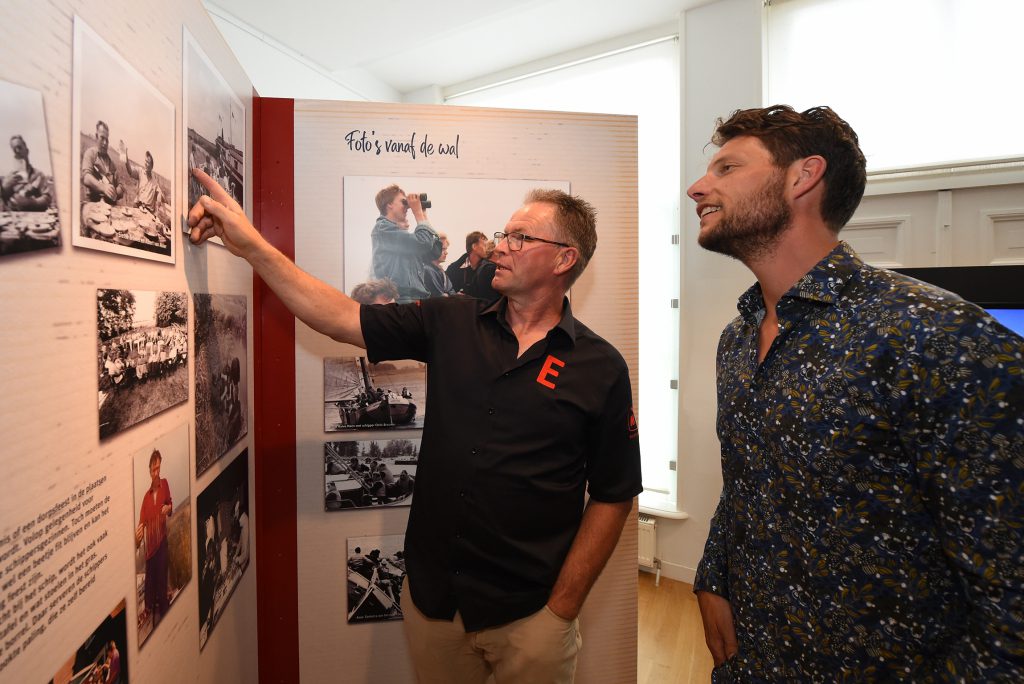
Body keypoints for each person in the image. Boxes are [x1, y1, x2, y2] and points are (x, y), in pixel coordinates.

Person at [187, 169, 642, 683]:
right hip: (435, 609)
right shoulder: (451, 321)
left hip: (532, 616)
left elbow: (613, 495)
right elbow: (338, 315)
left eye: (520, 236)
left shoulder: (600, 367)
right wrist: (252, 246)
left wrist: (563, 607)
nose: (499, 246)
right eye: (503, 232)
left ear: (564, 258)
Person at [686, 105, 1024, 681]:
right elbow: (746, 478)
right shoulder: (738, 337)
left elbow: (1011, 590)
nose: (698, 187)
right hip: (754, 658)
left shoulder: (938, 335)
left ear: (803, 176)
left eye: (726, 168)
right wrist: (713, 575)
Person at [370, 184, 442, 303]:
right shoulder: (383, 229)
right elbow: (423, 243)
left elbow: (434, 252)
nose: (407, 207)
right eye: (404, 202)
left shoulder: (401, 235)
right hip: (400, 299)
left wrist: (423, 215)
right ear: (390, 204)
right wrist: (418, 213)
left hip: (416, 298)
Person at [136, 449, 172, 626]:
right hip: (150, 552)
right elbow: (140, 526)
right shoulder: (145, 498)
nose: (156, 472)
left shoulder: (165, 484)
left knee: (161, 589)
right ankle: (150, 613)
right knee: (150, 594)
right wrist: (137, 536)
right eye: (153, 470)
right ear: (149, 471)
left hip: (162, 544)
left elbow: (170, 504)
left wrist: (169, 508)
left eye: (158, 468)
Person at [1, 134, 53, 211]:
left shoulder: (38, 175)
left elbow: (47, 199)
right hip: (14, 220)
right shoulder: (9, 178)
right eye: (14, 149)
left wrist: (32, 202)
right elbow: (3, 204)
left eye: (19, 147)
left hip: (35, 220)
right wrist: (4, 188)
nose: (17, 151)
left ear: (27, 151)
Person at [446, 230, 499, 304]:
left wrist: (467, 298)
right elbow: (446, 293)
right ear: (474, 246)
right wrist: (455, 296)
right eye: (484, 245)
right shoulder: (453, 269)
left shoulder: (488, 268)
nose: (487, 248)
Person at [81, 121, 123, 205]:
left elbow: (120, 185)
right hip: (93, 203)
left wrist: (117, 191)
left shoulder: (112, 164)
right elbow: (86, 177)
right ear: (96, 137)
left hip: (109, 205)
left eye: (107, 140)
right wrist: (103, 187)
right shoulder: (90, 154)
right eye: (102, 138)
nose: (105, 143)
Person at [123, 149, 165, 216]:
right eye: (145, 161)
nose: (146, 164)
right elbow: (130, 171)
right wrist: (126, 158)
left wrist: (157, 206)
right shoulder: (140, 172)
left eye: (148, 162)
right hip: (137, 205)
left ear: (151, 166)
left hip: (148, 210)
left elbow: (159, 193)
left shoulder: (154, 180)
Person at [423, 231, 456, 297]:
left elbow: (452, 292)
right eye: (443, 249)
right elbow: (440, 296)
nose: (446, 253)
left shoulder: (440, 270)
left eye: (446, 249)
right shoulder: (427, 270)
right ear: (432, 249)